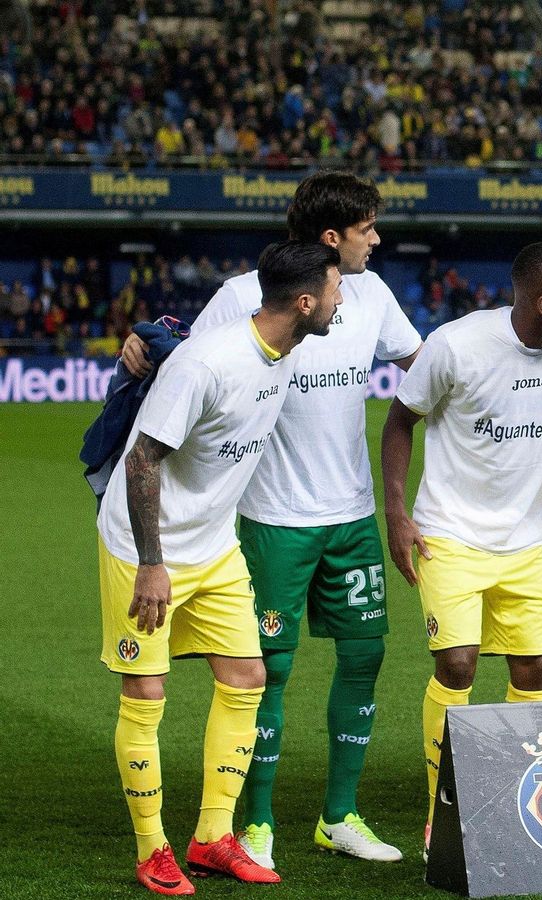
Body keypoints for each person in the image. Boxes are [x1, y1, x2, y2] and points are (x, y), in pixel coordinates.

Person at [122, 171, 420, 868]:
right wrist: (139, 346)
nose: (376, 241)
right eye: (366, 229)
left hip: (352, 516)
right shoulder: (238, 296)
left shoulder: (371, 296)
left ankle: (339, 815)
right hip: (271, 517)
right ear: (330, 237)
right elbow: (187, 368)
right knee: (265, 670)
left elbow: (429, 364)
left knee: (366, 655)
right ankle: (253, 821)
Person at [101, 240, 341, 895]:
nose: (340, 302)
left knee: (247, 676)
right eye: (335, 291)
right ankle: (153, 849)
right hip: (142, 548)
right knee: (146, 693)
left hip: (213, 546)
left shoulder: (284, 353)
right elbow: (142, 460)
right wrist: (152, 564)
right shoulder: (211, 361)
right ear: (304, 301)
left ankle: (211, 837)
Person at [381, 242, 542, 855]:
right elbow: (400, 419)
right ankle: (441, 811)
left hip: (526, 543)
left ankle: (516, 799)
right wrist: (397, 515)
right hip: (449, 534)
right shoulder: (456, 346)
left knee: (535, 672)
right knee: (457, 664)